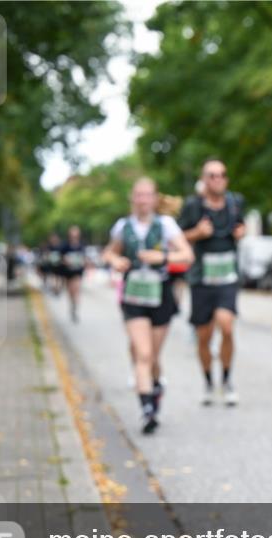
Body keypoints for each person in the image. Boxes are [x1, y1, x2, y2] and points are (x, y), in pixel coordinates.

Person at [102, 177, 194, 434]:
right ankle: (147, 410)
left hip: (160, 293)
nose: (142, 200)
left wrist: (161, 257)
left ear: (155, 198)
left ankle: (155, 386)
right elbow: (109, 252)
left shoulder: (166, 225)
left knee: (152, 356)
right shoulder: (123, 226)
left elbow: (187, 255)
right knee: (142, 353)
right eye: (138, 195)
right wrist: (115, 261)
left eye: (147, 195)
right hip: (133, 294)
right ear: (132, 198)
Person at [178, 159, 247, 407]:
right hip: (202, 279)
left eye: (222, 175)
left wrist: (241, 232)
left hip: (227, 277)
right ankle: (208, 381)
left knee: (227, 326)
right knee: (204, 337)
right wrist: (197, 233)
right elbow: (178, 237)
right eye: (212, 175)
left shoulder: (235, 202)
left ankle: (226, 380)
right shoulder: (192, 206)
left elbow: (241, 225)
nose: (218, 179)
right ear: (204, 179)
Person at [59, 226, 89, 323]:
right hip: (68, 272)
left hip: (78, 271)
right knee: (70, 291)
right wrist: (66, 261)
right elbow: (60, 257)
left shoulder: (81, 245)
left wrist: (84, 262)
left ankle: (75, 308)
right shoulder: (65, 245)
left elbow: (85, 257)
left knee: (77, 289)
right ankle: (72, 305)